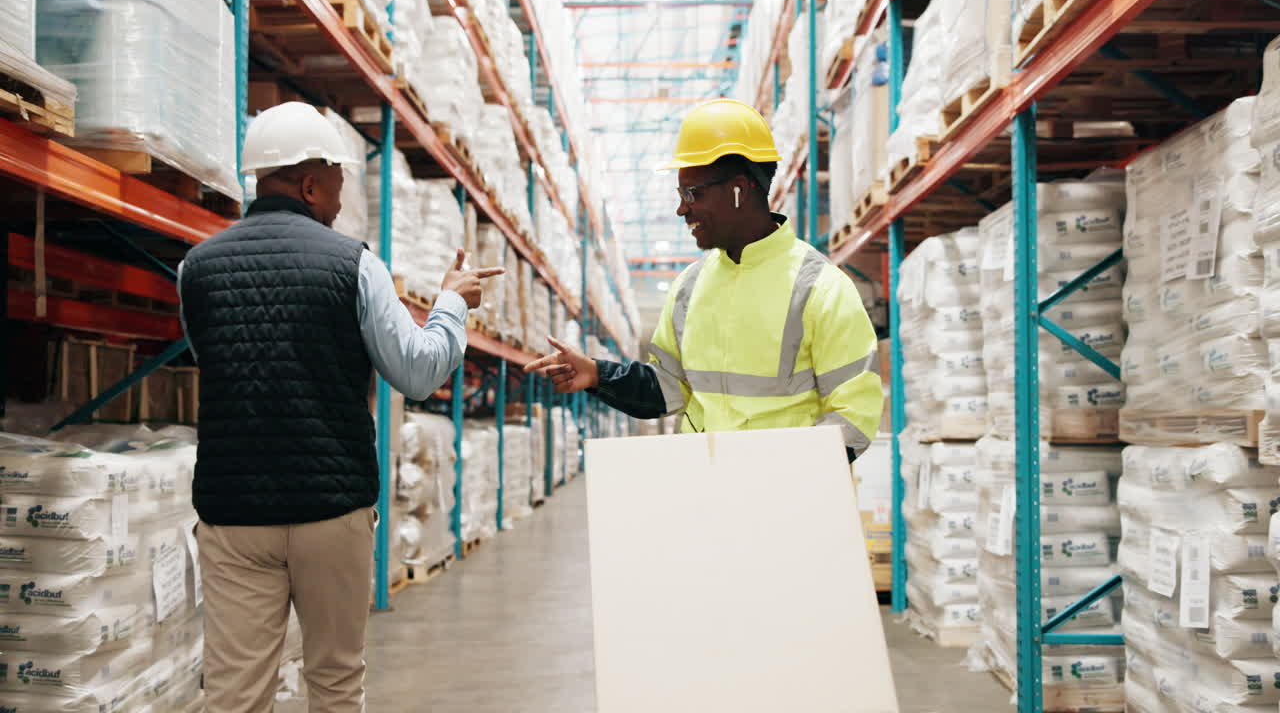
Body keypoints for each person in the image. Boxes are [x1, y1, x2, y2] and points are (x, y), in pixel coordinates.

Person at [178, 101, 502, 712]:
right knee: (334, 682)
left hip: (233, 514)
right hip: (331, 514)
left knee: (234, 694)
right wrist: (452, 304)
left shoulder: (197, 268)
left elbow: (213, 360)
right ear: (309, 182)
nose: (340, 198)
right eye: (338, 183)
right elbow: (418, 371)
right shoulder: (353, 264)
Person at [525, 98, 881, 460]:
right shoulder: (690, 288)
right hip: (707, 495)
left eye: (692, 193)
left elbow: (853, 416)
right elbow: (669, 389)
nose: (682, 208)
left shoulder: (821, 289)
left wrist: (780, 481)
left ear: (739, 189)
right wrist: (599, 374)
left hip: (786, 505)